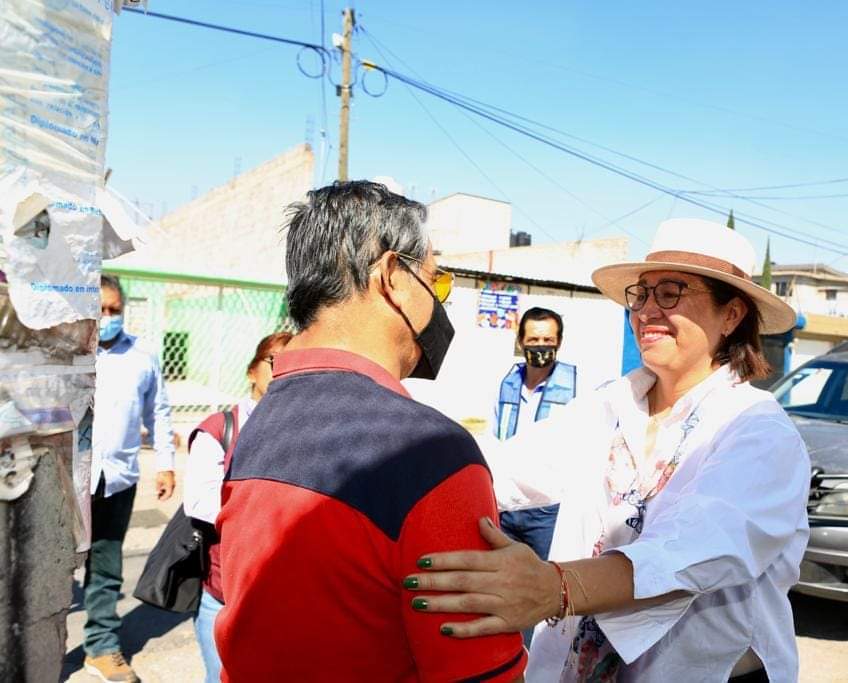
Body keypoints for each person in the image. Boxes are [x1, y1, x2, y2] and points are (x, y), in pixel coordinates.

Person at [403, 218, 811, 682]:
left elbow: (694, 552)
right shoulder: (609, 407)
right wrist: (397, 435)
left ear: (731, 315)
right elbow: (504, 468)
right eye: (641, 294)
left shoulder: (757, 430)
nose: (646, 311)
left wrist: (554, 587)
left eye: (670, 293)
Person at [213, 181, 526, 682]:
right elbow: (481, 673)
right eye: (436, 281)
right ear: (393, 277)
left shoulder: (257, 422)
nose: (439, 303)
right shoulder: (432, 452)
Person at [181, 330, 292, 683]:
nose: (284, 371)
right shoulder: (221, 428)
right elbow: (200, 500)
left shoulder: (304, 429)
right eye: (275, 361)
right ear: (251, 371)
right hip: (226, 593)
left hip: (286, 595)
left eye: (294, 363)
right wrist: (273, 509)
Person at [86, 274, 176, 683]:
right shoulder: (66, 351)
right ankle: (33, 648)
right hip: (67, 480)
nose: (108, 317)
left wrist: (165, 463)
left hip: (117, 478)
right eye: (100, 310)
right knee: (48, 568)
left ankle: (101, 647)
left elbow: (158, 412)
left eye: (114, 310)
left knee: (106, 567)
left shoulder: (142, 354)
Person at [494, 306, 578, 564]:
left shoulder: (577, 385)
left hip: (548, 510)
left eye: (547, 340)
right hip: (506, 506)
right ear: (521, 342)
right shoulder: (505, 383)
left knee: (548, 577)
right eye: (533, 339)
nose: (540, 346)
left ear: (559, 342)